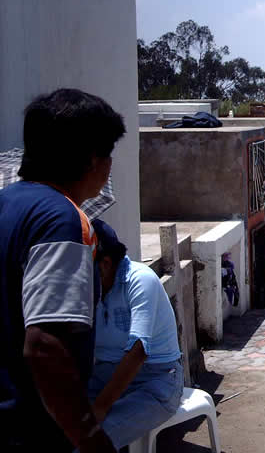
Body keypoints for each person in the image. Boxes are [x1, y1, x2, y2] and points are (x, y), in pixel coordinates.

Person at [0, 88, 125, 452]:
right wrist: (89, 438)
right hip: (31, 429)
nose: (110, 165)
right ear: (91, 159)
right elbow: (45, 345)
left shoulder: (8, 203)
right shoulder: (62, 221)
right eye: (109, 153)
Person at [88, 219, 184, 451]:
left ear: (105, 264)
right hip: (102, 378)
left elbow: (138, 351)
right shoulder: (89, 288)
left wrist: (99, 408)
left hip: (155, 382)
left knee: (93, 439)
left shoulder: (140, 280)